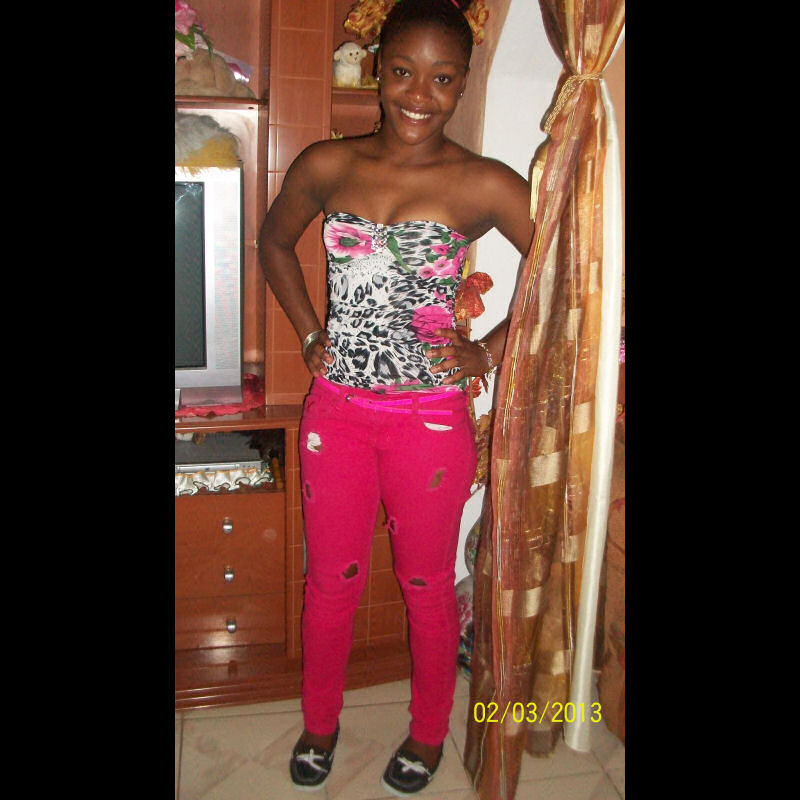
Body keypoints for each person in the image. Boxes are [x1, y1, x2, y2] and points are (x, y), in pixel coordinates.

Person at [258, 0, 534, 794]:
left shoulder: (483, 181)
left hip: (429, 420)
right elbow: (273, 241)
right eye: (405, 71)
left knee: (425, 586)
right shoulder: (327, 164)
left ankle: (427, 732)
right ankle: (319, 723)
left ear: (463, 84)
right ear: (378, 69)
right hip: (337, 414)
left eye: (443, 79)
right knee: (329, 583)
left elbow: (563, 271)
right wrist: (311, 333)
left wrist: (485, 350)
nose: (420, 95)